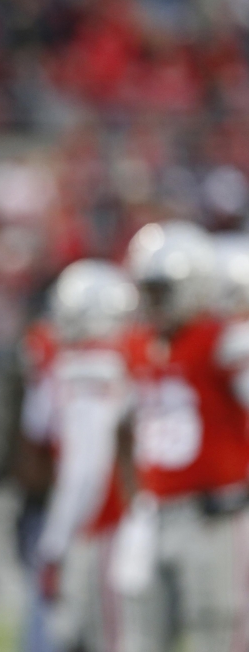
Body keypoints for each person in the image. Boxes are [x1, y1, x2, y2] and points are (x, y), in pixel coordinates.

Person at [117, 221, 249, 652]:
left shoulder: (223, 340)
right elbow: (123, 430)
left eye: (160, 290)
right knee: (142, 634)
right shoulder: (138, 345)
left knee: (217, 631)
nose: (152, 302)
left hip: (213, 516)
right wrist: (136, 499)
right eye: (147, 290)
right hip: (155, 513)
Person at [20, 260, 141, 652]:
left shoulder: (92, 365)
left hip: (101, 524)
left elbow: (86, 469)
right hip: (110, 520)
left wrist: (55, 543)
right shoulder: (119, 357)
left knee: (100, 637)